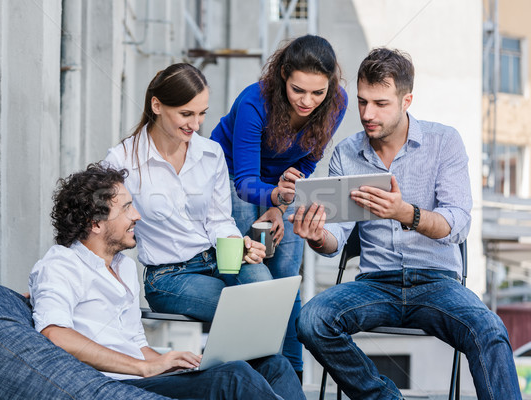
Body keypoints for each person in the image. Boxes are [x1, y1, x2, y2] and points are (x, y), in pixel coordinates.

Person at [291, 48, 522, 399]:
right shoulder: (346, 153)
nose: (368, 114)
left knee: (489, 329)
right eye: (362, 101)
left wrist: (407, 214)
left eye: (380, 103)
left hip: (437, 283)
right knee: (312, 320)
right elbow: (335, 237)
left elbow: (458, 224)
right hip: (374, 284)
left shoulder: (444, 142)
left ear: (406, 100)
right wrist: (316, 236)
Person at [29, 164, 305, 400]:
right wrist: (144, 367)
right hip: (118, 385)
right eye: (126, 209)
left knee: (273, 364)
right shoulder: (60, 265)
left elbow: (137, 343)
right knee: (234, 377)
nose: (137, 215)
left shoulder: (123, 266)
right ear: (96, 224)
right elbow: (55, 334)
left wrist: (174, 363)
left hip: (144, 375)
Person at [210, 34, 348, 375]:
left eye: (318, 92)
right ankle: (255, 372)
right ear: (284, 74)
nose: (308, 101)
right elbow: (243, 182)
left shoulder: (337, 102)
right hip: (232, 175)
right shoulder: (253, 103)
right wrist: (276, 196)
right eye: (298, 90)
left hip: (280, 187)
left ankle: (292, 374)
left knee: (286, 278)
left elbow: (310, 158)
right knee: (256, 273)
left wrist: (282, 199)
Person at [102, 63, 272, 323]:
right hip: (168, 277)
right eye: (186, 114)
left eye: (202, 113)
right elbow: (102, 228)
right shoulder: (122, 161)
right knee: (245, 310)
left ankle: (271, 365)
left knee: (266, 292)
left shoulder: (211, 153)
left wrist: (240, 246)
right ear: (157, 106)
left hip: (217, 259)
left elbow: (219, 220)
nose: (196, 124)